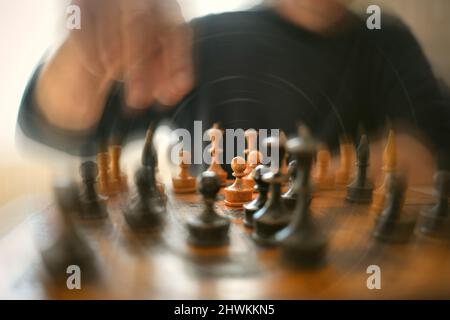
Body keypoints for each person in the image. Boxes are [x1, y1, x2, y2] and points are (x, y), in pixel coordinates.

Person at [17, 0, 450, 173]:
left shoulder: (387, 41)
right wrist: (90, 51)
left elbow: (423, 158)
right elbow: (62, 128)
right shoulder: (201, 41)